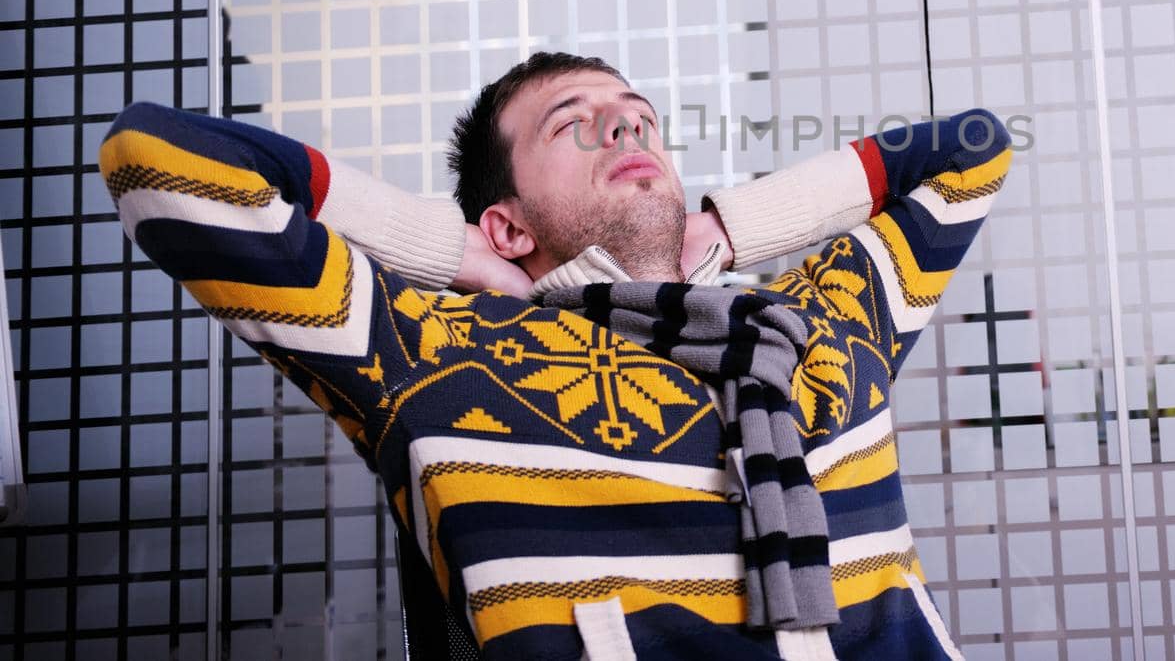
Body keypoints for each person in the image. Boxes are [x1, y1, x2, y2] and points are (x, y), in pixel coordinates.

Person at [99, 51, 1012, 659]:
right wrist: (447, 250)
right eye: (572, 124)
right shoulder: (431, 353)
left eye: (639, 118)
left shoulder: (810, 328)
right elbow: (158, 159)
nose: (624, 130)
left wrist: (731, 229)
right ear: (507, 221)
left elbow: (973, 153)